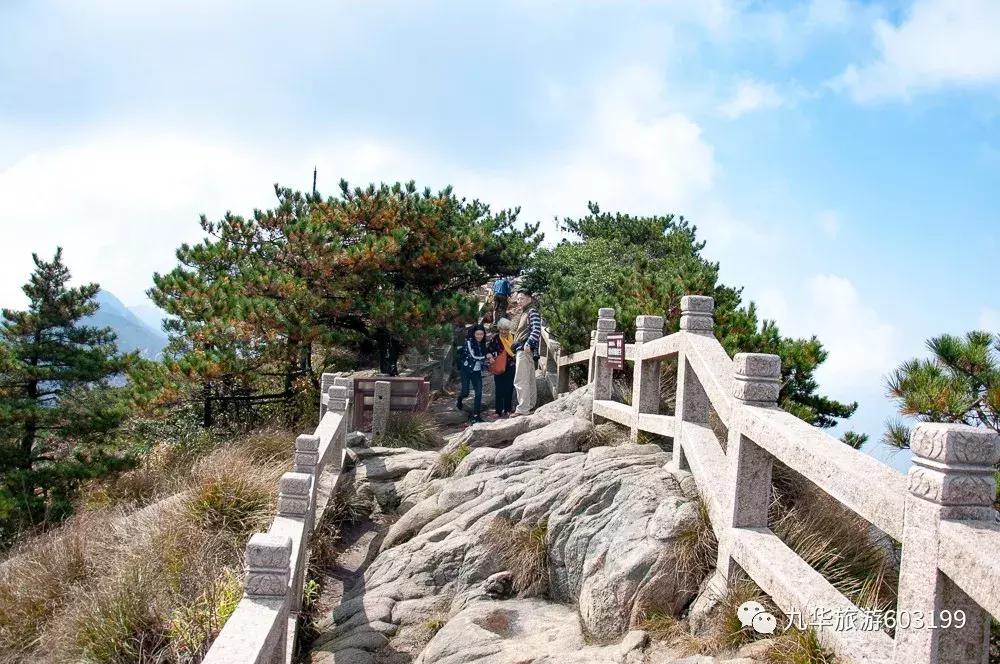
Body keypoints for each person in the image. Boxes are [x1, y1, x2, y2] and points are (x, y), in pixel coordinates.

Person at [511, 289, 541, 416]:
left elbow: (536, 329)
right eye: (518, 299)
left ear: (529, 298)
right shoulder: (526, 311)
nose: (519, 301)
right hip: (524, 349)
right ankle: (530, 406)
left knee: (520, 379)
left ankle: (523, 409)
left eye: (522, 298)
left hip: (524, 349)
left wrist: (529, 343)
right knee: (529, 379)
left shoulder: (531, 311)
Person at [487, 317, 517, 418]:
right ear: (499, 329)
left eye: (506, 329)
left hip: (511, 366)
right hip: (499, 366)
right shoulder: (495, 338)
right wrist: (490, 357)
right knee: (499, 389)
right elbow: (488, 350)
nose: (504, 331)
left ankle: (508, 409)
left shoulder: (513, 337)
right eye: (502, 329)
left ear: (509, 330)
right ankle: (498, 411)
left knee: (509, 388)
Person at [457, 324, 488, 423]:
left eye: (481, 334)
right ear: (474, 334)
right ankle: (459, 399)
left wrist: (490, 356)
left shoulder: (483, 344)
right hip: (466, 370)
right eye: (477, 334)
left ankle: (476, 415)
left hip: (477, 371)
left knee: (478, 393)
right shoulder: (469, 342)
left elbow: (485, 353)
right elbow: (473, 356)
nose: (480, 336)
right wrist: (486, 357)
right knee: (465, 392)